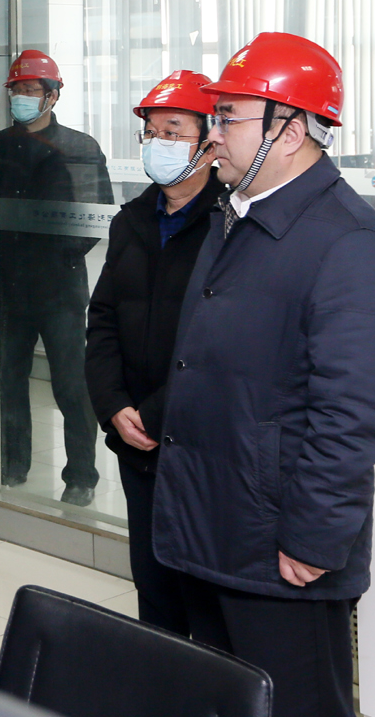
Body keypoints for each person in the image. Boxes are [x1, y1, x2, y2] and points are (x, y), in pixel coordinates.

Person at [153, 32, 375, 717]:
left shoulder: (349, 242)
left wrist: (315, 537)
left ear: (289, 131)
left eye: (227, 117)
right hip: (212, 528)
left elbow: (352, 413)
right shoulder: (236, 217)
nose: (213, 135)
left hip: (280, 550)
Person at [84, 71, 222, 635]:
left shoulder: (231, 225)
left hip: (199, 442)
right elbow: (103, 320)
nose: (158, 143)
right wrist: (113, 404)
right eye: (150, 132)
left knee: (204, 598)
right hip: (136, 440)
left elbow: (222, 345)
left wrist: (154, 412)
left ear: (210, 141)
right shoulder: (131, 221)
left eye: (173, 131)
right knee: (153, 584)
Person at [0, 49, 113, 506]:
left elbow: (94, 217)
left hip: (58, 288)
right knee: (9, 381)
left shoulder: (79, 147)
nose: (22, 97)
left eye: (31, 90)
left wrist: (57, 259)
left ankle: (81, 476)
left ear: (52, 96)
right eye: (17, 90)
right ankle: (11, 466)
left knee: (71, 385)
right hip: (7, 285)